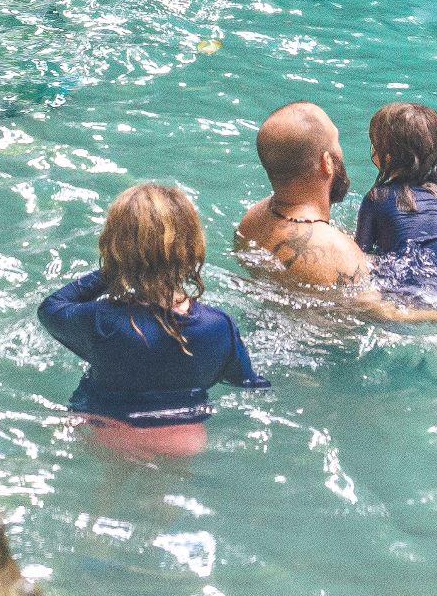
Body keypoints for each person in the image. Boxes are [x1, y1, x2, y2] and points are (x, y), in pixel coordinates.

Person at [39, 181, 268, 458]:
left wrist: (113, 270)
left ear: (114, 247)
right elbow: (245, 381)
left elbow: (51, 308)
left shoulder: (101, 321)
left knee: (105, 496)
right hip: (183, 439)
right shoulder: (219, 326)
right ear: (192, 248)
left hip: (104, 429)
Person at [234, 100, 437, 324]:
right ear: (327, 162)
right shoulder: (340, 253)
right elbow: (386, 315)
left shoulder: (250, 222)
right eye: (337, 143)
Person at [355, 102, 437, 300]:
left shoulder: (377, 197)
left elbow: (360, 255)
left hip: (398, 299)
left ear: (387, 156)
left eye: (374, 144)